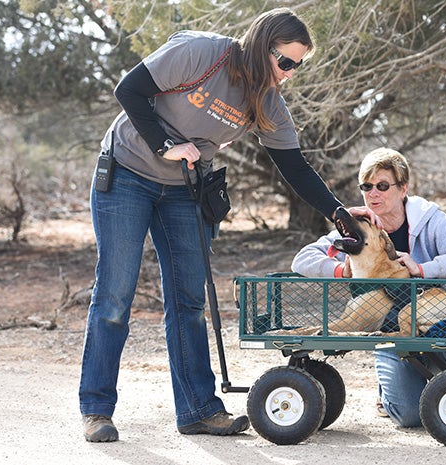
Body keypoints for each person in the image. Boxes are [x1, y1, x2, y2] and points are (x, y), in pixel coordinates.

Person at [79, 8, 373, 442]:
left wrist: (338, 212)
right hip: (127, 173)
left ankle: (198, 410)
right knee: (115, 295)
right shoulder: (202, 53)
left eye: (299, 65)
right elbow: (130, 90)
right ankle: (96, 410)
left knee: (188, 300)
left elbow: (293, 164)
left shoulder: (266, 99)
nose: (290, 73)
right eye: (286, 62)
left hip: (185, 188)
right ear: (262, 46)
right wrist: (167, 144)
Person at [291, 147, 446, 428]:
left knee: (445, 391)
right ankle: (392, 391)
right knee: (408, 414)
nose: (373, 194)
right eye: (367, 186)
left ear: (403, 188)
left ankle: (431, 380)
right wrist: (339, 268)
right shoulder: (356, 228)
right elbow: (302, 260)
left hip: (431, 321)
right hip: (388, 334)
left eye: (383, 186)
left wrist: (423, 269)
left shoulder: (430, 220)